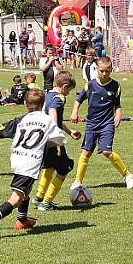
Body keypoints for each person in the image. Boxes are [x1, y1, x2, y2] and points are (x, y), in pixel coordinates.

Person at [0, 88, 67, 240]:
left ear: (25, 104)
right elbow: (60, 139)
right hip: (30, 163)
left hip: (17, 159)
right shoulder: (47, 120)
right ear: (43, 105)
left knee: (25, 192)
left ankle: (22, 220)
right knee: (16, 199)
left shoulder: (21, 120)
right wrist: (47, 143)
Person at [69, 56, 133, 190]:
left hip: (107, 124)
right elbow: (78, 100)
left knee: (106, 151)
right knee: (86, 152)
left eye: (107, 71)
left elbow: (117, 104)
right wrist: (74, 111)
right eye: (102, 71)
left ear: (111, 70)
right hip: (92, 124)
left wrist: (118, 114)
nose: (104, 74)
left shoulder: (116, 86)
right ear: (97, 69)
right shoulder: (90, 85)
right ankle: (77, 181)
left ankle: (128, 175)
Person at [31, 71, 81, 210]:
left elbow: (56, 118)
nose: (69, 93)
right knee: (64, 169)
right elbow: (53, 112)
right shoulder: (59, 97)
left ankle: (38, 197)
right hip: (53, 141)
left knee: (51, 167)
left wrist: (70, 131)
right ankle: (46, 203)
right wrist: (54, 132)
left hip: (44, 141)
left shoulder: (47, 95)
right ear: (64, 86)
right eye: (69, 90)